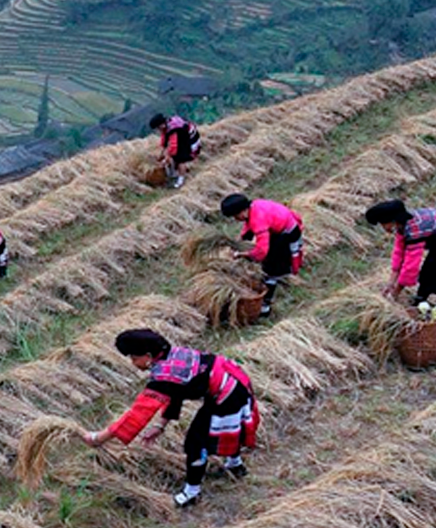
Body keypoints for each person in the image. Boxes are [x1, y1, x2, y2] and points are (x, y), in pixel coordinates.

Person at [80, 329, 259, 508]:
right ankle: (235, 465)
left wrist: (98, 438)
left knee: (195, 442)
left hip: (228, 393)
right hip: (235, 379)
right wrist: (161, 426)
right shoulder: (171, 355)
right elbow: (176, 392)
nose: (133, 363)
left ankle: (192, 493)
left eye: (134, 358)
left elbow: (135, 417)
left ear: (148, 356)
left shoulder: (163, 378)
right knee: (220, 429)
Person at [220, 193, 304, 319]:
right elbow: (248, 229)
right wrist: (240, 242)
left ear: (242, 211)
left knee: (271, 270)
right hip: (281, 226)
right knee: (269, 263)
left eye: (235, 216)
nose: (236, 219)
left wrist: (242, 254)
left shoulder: (258, 220)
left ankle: (265, 307)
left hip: (287, 234)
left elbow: (261, 252)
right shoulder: (253, 207)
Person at [150, 112, 201, 188]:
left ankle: (180, 180)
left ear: (161, 124)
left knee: (180, 158)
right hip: (183, 138)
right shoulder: (167, 126)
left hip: (189, 139)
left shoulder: (174, 129)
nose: (158, 130)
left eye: (157, 127)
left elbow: (173, 147)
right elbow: (164, 141)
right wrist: (161, 155)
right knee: (174, 156)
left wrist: (166, 158)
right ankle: (176, 173)